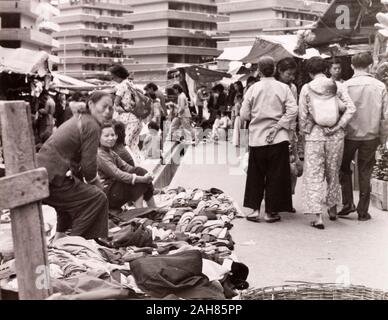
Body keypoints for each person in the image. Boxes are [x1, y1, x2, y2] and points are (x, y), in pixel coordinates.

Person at [37, 91, 114, 241]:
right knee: (98, 198)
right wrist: (96, 185)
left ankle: (59, 239)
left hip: (44, 174)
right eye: (104, 107)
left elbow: (78, 165)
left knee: (71, 202)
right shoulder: (91, 125)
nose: (107, 112)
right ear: (91, 104)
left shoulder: (80, 118)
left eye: (111, 108)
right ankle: (73, 242)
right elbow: (89, 167)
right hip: (52, 177)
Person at [299, 57, 356, 229]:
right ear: (326, 69)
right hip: (335, 135)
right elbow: (351, 108)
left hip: (314, 135)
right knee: (333, 173)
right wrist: (338, 125)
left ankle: (318, 217)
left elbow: (302, 115)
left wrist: (304, 133)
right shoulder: (337, 85)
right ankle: (332, 209)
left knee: (314, 175)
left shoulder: (306, 88)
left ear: (309, 72)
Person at [240, 56, 298, 223]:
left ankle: (255, 210)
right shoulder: (283, 88)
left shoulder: (252, 89)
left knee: (256, 175)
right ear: (274, 69)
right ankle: (271, 212)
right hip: (279, 138)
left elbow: (244, 114)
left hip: (257, 138)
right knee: (276, 175)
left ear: (259, 70)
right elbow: (293, 110)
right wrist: (280, 124)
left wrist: (256, 116)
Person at [339, 52, 388, 221]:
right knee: (365, 171)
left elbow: (340, 110)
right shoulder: (380, 86)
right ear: (370, 66)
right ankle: (362, 211)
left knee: (344, 168)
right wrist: (383, 138)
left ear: (352, 66)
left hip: (348, 134)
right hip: (371, 134)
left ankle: (347, 204)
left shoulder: (345, 86)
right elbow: (385, 115)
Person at [98, 123, 156, 210]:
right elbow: (117, 174)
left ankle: (152, 207)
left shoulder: (111, 152)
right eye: (106, 136)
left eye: (112, 135)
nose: (111, 138)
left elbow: (127, 168)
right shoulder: (100, 154)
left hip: (115, 189)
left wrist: (147, 174)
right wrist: (142, 178)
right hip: (107, 194)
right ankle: (140, 211)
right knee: (138, 176)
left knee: (140, 171)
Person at [109, 64, 143, 164]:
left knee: (125, 145)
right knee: (134, 145)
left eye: (112, 75)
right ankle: (139, 165)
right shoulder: (131, 84)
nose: (111, 78)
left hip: (128, 120)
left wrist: (124, 110)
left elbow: (116, 105)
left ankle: (130, 167)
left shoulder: (122, 86)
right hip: (137, 119)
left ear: (117, 75)